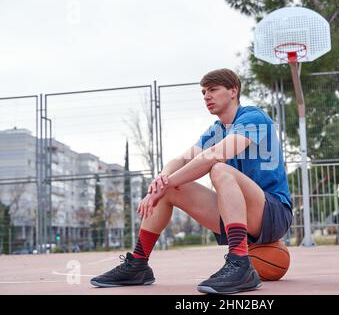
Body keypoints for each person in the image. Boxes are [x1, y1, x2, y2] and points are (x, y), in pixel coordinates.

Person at [90, 68, 293, 294]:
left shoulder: (253, 117)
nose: (206, 96)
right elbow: (182, 158)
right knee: (171, 188)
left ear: (233, 91)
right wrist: (160, 183)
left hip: (273, 212)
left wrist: (164, 183)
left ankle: (239, 262)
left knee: (219, 169)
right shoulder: (216, 130)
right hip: (238, 213)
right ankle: (138, 263)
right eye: (204, 91)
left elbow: (215, 155)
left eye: (213, 90)